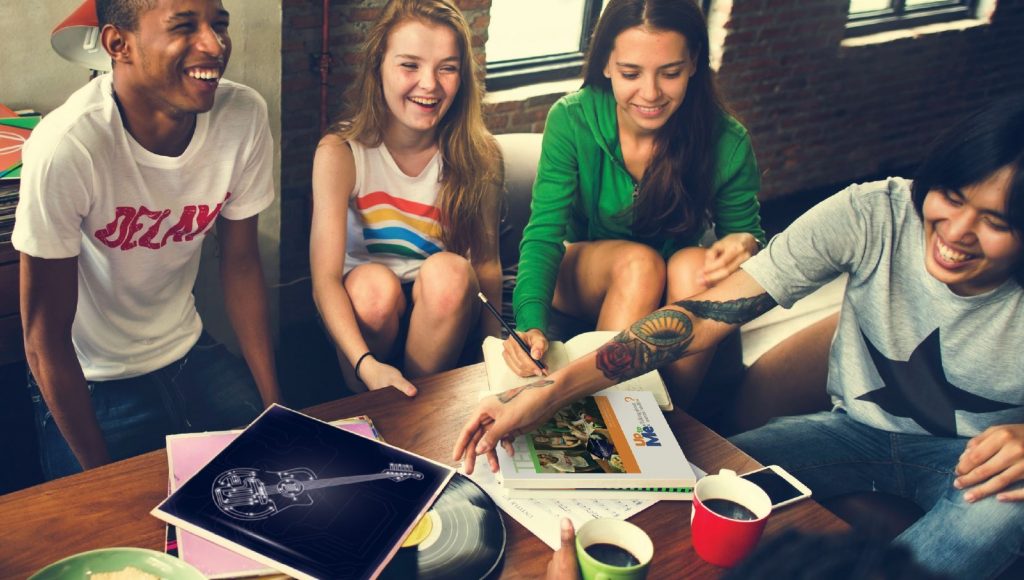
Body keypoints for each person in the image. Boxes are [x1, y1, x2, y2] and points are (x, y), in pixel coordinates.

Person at [455, 95, 1024, 579]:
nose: (957, 233)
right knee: (695, 486)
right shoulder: (873, 212)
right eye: (951, 197)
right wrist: (552, 390)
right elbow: (701, 315)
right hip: (850, 431)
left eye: (995, 222)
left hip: (979, 467)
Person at [14, 0, 280, 480]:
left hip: (188, 349)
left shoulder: (243, 115)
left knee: (278, 482)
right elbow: (43, 338)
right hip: (89, 378)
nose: (214, 45)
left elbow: (240, 263)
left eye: (219, 24)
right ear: (119, 44)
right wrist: (102, 480)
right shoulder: (65, 147)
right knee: (110, 537)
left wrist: (275, 403)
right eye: (184, 26)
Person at [502, 0, 764, 409]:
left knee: (694, 267)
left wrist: (744, 246)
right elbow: (543, 234)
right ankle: (600, 418)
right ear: (606, 64)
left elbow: (748, 240)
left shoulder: (727, 140)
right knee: (640, 264)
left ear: (694, 62)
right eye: (630, 73)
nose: (651, 93)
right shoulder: (571, 119)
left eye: (670, 72)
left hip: (675, 286)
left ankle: (670, 422)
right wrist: (529, 322)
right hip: (584, 271)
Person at [310, 0, 502, 397]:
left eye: (447, 67)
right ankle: (377, 401)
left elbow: (485, 265)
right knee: (372, 290)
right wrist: (366, 365)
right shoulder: (341, 152)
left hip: (445, 311)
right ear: (378, 65)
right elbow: (325, 280)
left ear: (462, 76)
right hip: (367, 321)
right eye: (410, 65)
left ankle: (419, 406)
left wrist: (494, 359)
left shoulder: (480, 154)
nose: (429, 84)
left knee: (449, 272)